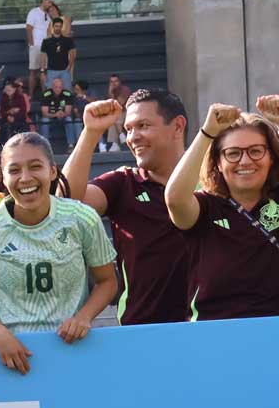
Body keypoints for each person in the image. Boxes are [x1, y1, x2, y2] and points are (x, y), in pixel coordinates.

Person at [0, 133, 119, 372]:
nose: (25, 178)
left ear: (52, 171)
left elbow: (107, 282)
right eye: (14, 170)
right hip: (9, 356)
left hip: (72, 348)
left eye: (35, 167)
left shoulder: (82, 218)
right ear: (3, 177)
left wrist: (83, 317)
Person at [59, 89, 192, 325]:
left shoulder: (212, 181)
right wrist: (90, 133)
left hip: (209, 329)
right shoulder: (123, 183)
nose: (132, 137)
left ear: (178, 127)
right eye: (128, 129)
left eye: (143, 125)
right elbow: (66, 205)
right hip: (139, 332)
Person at [165, 101, 279, 320]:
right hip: (213, 335)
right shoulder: (206, 206)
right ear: (217, 162)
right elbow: (175, 200)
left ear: (271, 158)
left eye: (256, 151)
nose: (245, 161)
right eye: (233, 153)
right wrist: (208, 132)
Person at [25, 0, 56, 93]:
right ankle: (30, 95)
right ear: (44, 0)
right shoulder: (34, 12)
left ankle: (45, 94)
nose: (50, 4)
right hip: (36, 45)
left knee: (45, 71)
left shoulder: (50, 14)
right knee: (33, 71)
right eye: (48, 1)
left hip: (47, 46)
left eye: (51, 2)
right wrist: (32, 44)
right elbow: (29, 28)